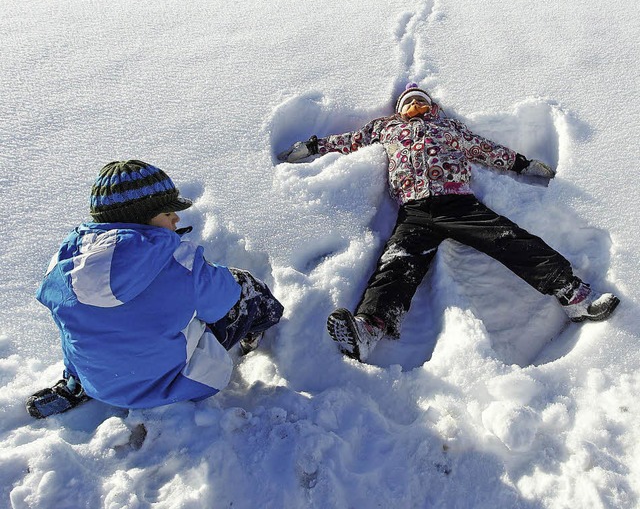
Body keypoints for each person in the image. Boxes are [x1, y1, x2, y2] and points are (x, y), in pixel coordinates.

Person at [278, 83, 619, 362]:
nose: (414, 106)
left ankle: (573, 295)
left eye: (420, 102)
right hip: (415, 212)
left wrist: (522, 164)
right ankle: (370, 327)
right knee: (397, 264)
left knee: (509, 239)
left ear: (431, 106)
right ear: (399, 110)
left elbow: (485, 148)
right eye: (408, 103)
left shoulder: (448, 127)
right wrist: (313, 146)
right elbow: (350, 141)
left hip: (459, 203)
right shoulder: (386, 128)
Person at [28, 160, 283, 418]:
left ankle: (75, 385)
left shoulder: (66, 261)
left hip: (99, 385)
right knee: (246, 290)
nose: (176, 218)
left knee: (86, 323)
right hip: (175, 385)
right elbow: (226, 298)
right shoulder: (181, 261)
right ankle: (257, 331)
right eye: (167, 212)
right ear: (141, 217)